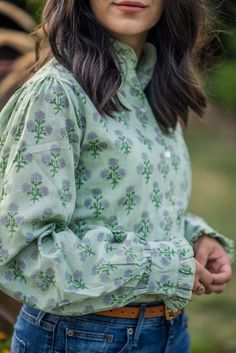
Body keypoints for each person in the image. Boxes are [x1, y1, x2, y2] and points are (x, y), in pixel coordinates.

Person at [0, 0, 234, 352]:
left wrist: (193, 238)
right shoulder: (57, 94)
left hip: (169, 332)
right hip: (78, 337)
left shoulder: (153, 90)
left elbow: (122, 212)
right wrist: (168, 264)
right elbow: (27, 250)